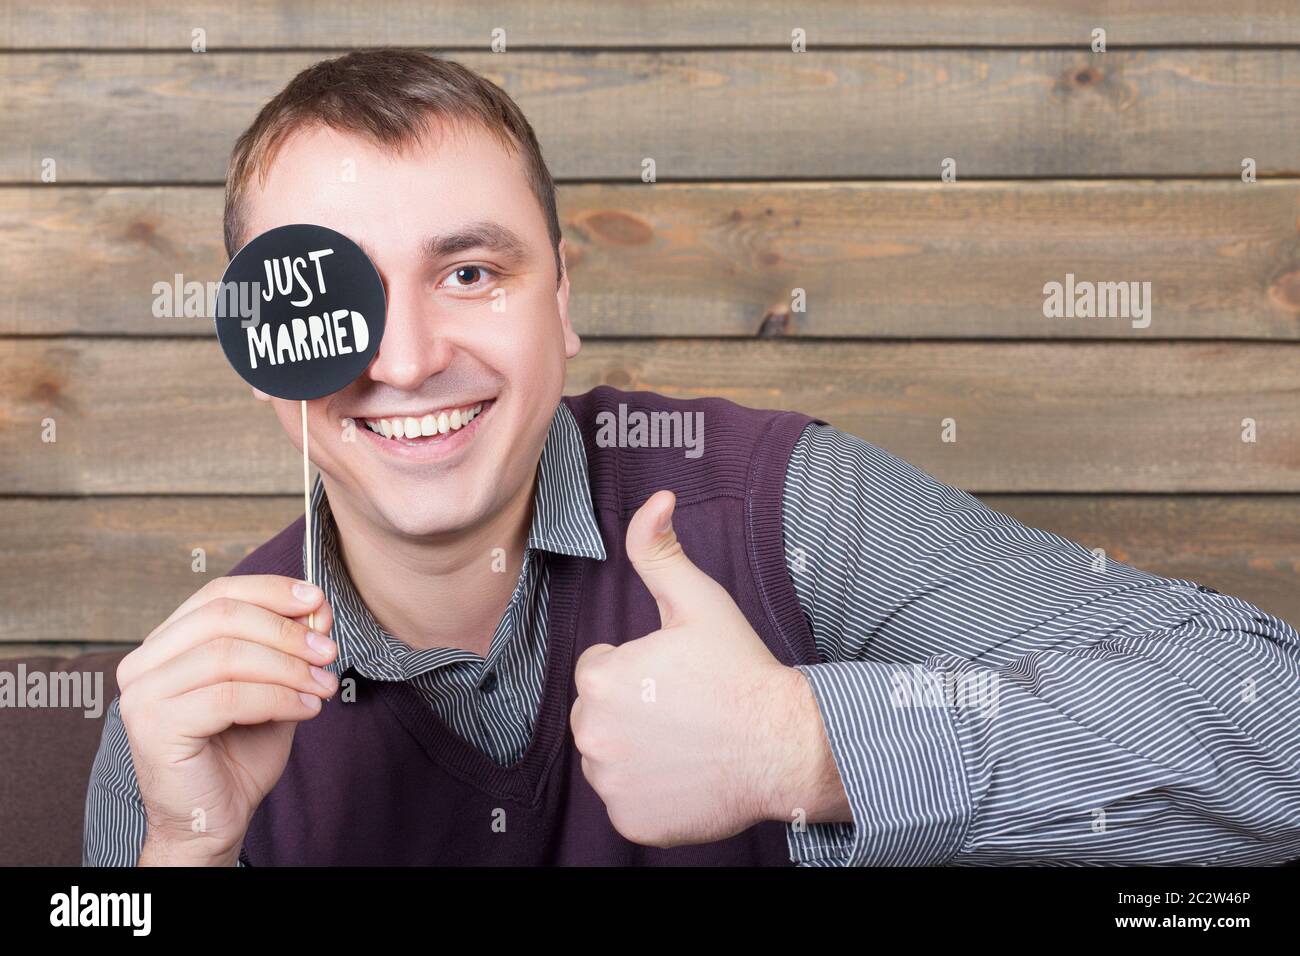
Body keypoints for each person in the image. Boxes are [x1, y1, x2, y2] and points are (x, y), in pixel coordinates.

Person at [85, 50, 1300, 866]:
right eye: (341, 294)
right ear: (262, 357)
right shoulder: (186, 712)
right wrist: (182, 851)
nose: (404, 358)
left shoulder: (779, 507)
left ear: (560, 301)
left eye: (469, 272)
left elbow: (1275, 724)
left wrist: (806, 744)